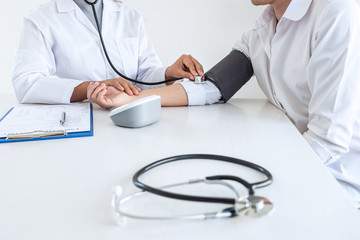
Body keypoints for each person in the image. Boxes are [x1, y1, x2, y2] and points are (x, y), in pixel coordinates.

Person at [88, 0, 360, 208]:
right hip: (299, 163)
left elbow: (328, 141)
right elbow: (213, 86)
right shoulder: (262, 28)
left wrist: (262, 183)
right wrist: (133, 98)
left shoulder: (335, 11)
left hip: (338, 180)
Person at [12, 0, 204, 104]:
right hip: (78, 126)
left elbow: (143, 75)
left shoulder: (129, 17)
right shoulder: (39, 19)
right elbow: (27, 83)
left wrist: (168, 73)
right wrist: (90, 88)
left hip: (130, 119)